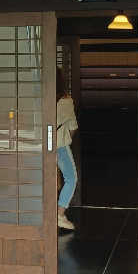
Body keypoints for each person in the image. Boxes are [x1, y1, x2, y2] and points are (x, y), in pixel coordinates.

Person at [56, 69, 79, 231]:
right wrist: (67, 138)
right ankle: (59, 214)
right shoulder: (65, 101)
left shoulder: (39, 98)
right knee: (71, 178)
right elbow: (72, 127)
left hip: (38, 145)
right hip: (58, 145)